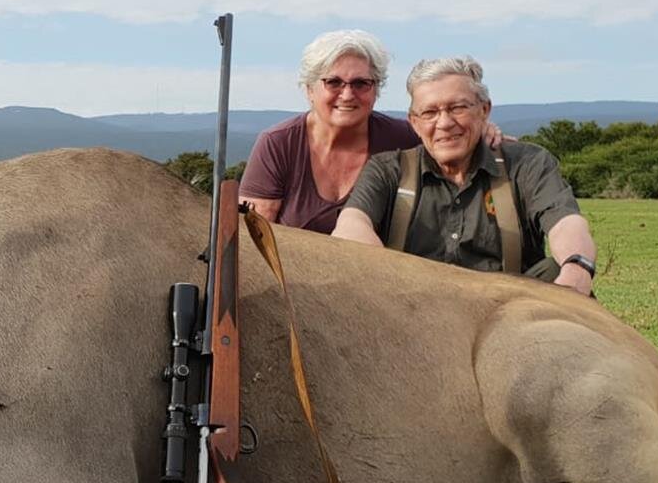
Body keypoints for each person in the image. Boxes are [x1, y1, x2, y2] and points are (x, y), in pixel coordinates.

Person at [332, 57, 598, 296]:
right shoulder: (388, 169)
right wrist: (388, 281)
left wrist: (577, 268)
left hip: (509, 311)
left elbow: (565, 222)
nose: (445, 123)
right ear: (413, 122)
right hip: (412, 305)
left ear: (484, 110)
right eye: (430, 112)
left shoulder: (527, 163)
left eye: (458, 108)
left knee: (555, 272)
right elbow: (351, 225)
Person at [240, 30, 417, 235]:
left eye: (361, 83)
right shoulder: (278, 144)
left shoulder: (405, 140)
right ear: (309, 90)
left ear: (376, 89)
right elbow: (251, 237)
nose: (348, 95)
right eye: (333, 82)